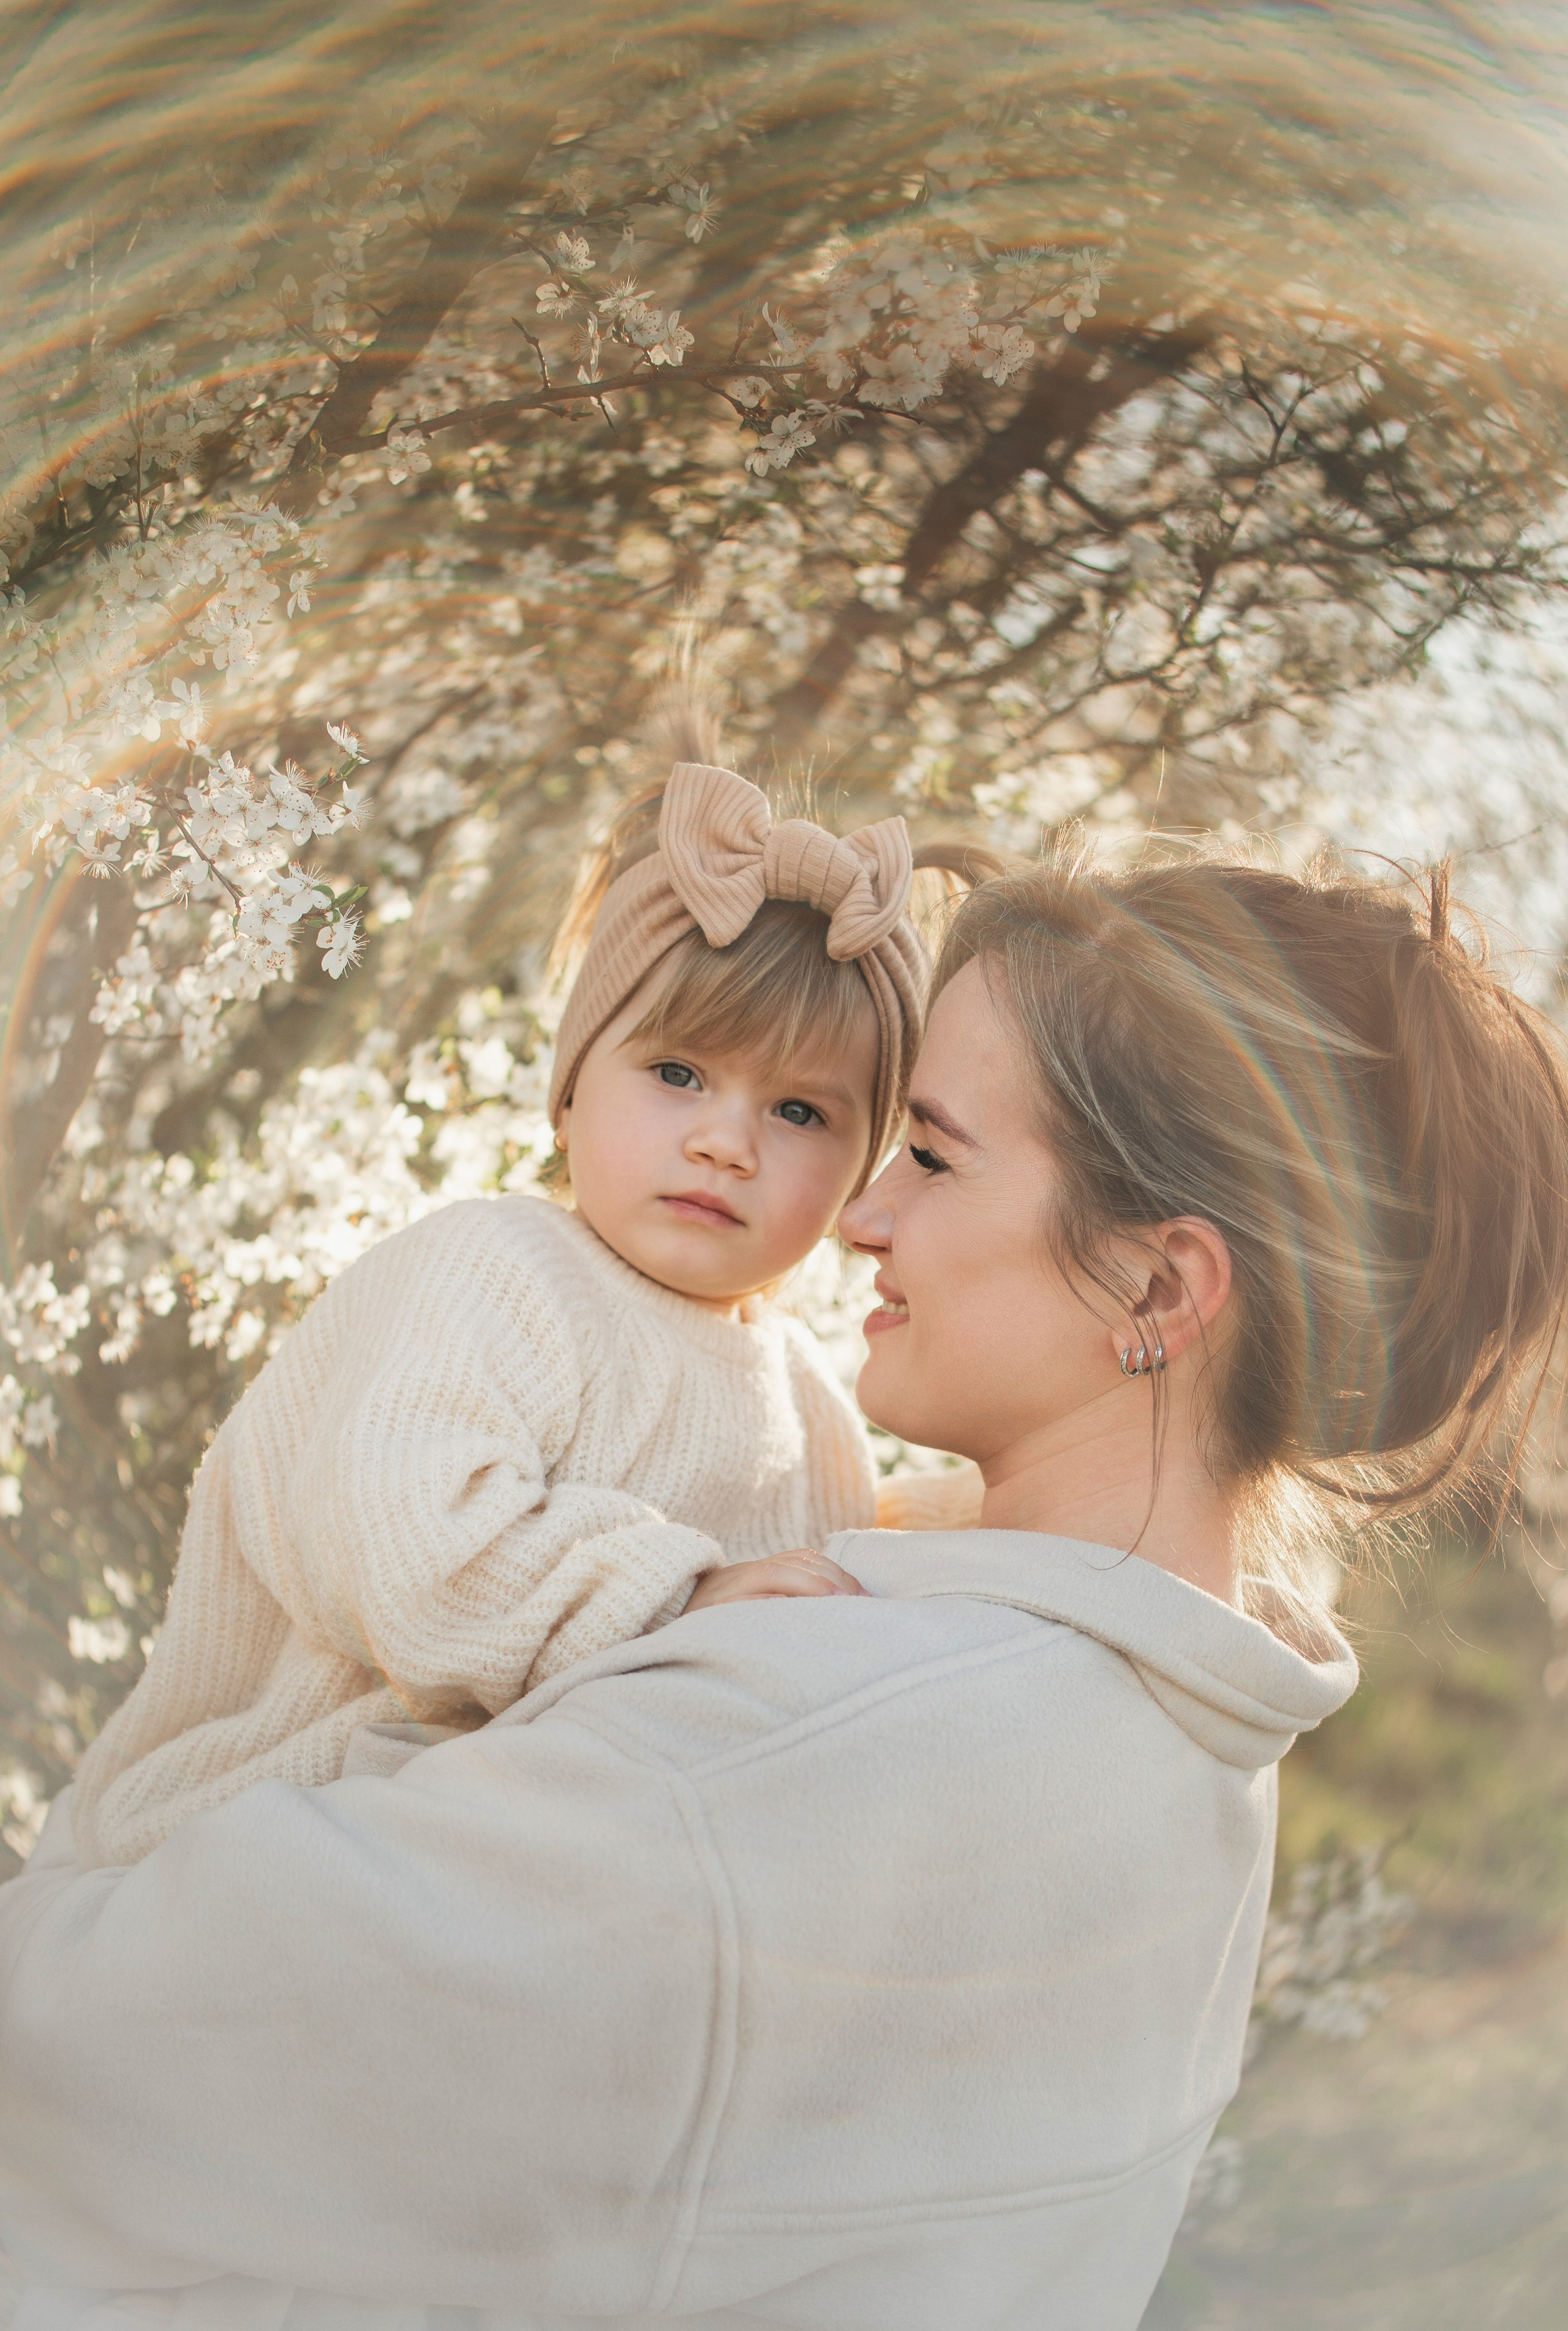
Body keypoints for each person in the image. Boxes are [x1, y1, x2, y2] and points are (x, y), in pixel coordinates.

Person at [3, 845, 1564, 2331]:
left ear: (1155, 1287)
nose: (862, 1215)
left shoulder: (785, 1749)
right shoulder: (1186, 1767)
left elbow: (68, 2069)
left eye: (931, 1153)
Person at [67, 756, 928, 1868]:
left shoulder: (810, 1410)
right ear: (571, 1091)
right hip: (269, 1820)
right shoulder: (495, 1270)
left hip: (539, 1866)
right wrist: (680, 1594)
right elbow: (405, 1545)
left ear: (864, 1172)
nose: (728, 1140)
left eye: (801, 1109)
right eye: (677, 1073)